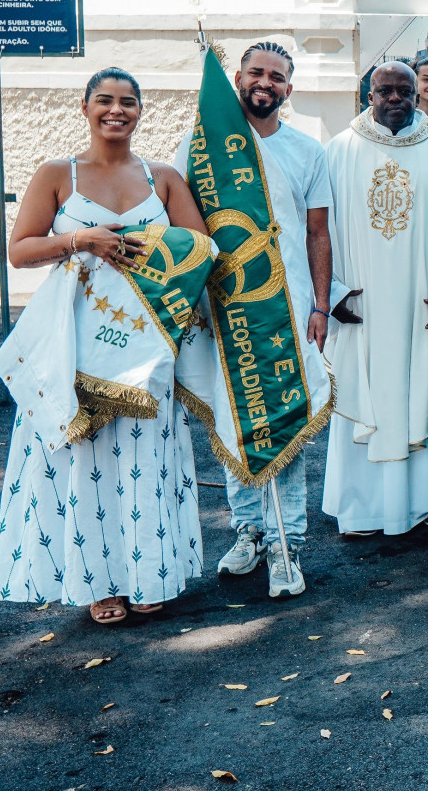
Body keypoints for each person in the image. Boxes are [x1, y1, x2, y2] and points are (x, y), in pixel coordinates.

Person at [0, 68, 211, 625]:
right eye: (105, 101)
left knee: (143, 459)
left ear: (141, 111)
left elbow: (201, 251)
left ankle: (148, 575)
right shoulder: (56, 174)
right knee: (83, 459)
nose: (117, 111)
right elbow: (19, 251)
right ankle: (98, 583)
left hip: (143, 346)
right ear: (85, 106)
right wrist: (78, 241)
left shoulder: (163, 178)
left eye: (129, 103)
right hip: (74, 346)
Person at [172, 42, 333, 598]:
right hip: (226, 308)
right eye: (257, 73)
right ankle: (249, 532)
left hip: (285, 311)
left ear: (290, 87)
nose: (266, 83)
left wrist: (320, 304)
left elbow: (317, 233)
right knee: (234, 417)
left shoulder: (307, 151)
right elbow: (184, 234)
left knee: (283, 416)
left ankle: (290, 541)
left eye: (278, 76)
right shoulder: (199, 149)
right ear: (237, 78)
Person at [320, 62, 428, 536]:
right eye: (384, 90)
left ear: (418, 96)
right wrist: (331, 294)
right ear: (369, 94)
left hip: (424, 308)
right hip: (360, 306)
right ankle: (362, 508)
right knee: (363, 390)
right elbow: (317, 230)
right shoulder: (339, 152)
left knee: (425, 389)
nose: (394, 98)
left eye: (403, 91)